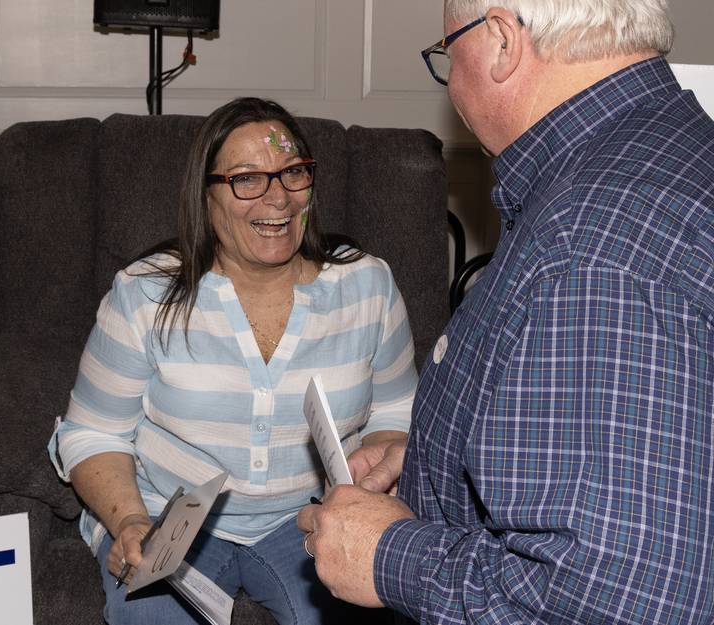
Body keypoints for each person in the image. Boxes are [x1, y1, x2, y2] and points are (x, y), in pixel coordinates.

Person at [298, 1, 714, 623]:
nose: (451, 80)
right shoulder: (662, 151)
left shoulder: (591, 243)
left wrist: (389, 556)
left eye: (448, 53)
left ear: (499, 40)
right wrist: (440, 453)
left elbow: (612, 601)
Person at [48, 97, 418, 624]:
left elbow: (396, 414)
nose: (278, 198)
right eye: (247, 179)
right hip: (167, 517)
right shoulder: (144, 295)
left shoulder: (368, 286)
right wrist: (130, 521)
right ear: (207, 196)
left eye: (293, 173)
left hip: (312, 517)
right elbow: (93, 434)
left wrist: (377, 470)